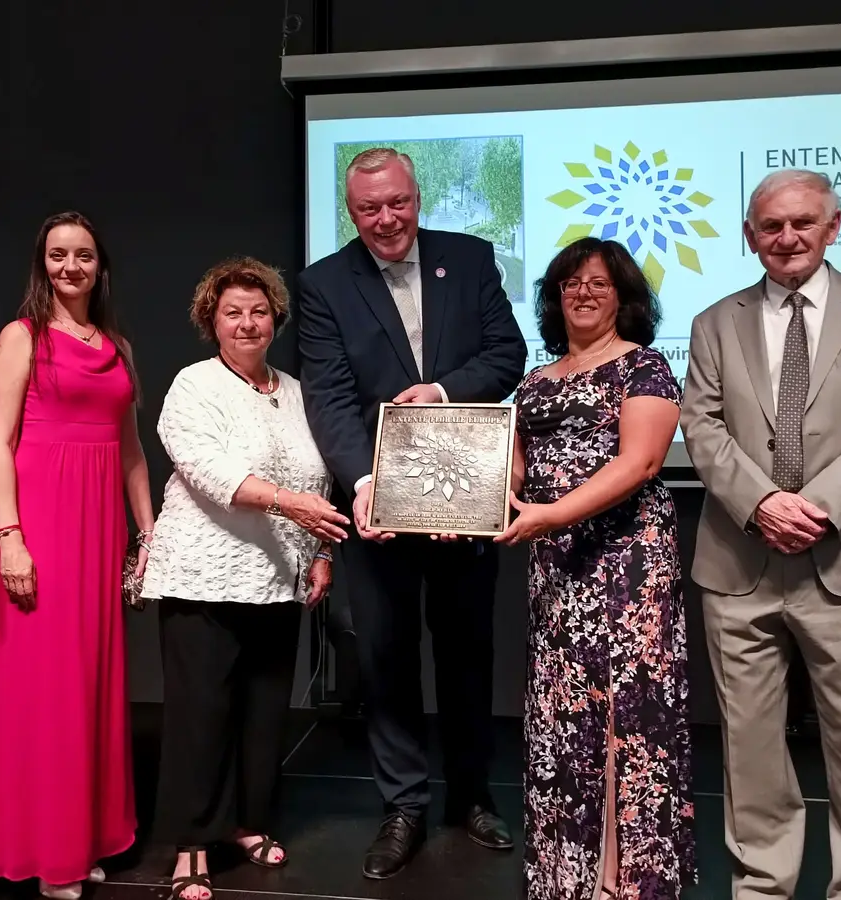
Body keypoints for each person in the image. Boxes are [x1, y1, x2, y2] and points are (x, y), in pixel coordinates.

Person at [681, 168, 841, 899]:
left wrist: (814, 506)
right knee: (749, 748)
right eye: (770, 226)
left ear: (832, 226)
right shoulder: (714, 321)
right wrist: (762, 505)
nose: (786, 238)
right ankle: (762, 883)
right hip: (739, 561)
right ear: (748, 235)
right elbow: (702, 424)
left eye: (802, 223)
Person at [294, 146, 526, 878]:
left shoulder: (472, 258)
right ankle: (402, 807)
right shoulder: (323, 283)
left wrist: (445, 391)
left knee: (466, 654)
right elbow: (327, 394)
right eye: (369, 209)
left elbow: (507, 353)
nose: (386, 219)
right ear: (351, 210)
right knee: (386, 658)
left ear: (416, 196)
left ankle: (471, 796)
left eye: (397, 203)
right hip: (378, 505)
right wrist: (360, 481)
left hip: (464, 490)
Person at [141, 256, 348, 900]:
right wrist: (291, 504)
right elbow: (206, 469)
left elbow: (318, 481)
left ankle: (248, 823)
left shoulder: (296, 390)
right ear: (213, 320)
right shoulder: (193, 385)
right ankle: (190, 847)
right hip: (203, 574)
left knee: (263, 712)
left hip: (276, 578)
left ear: (276, 319)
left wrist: (321, 553)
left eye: (259, 311)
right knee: (201, 716)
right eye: (233, 312)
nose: (248, 322)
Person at [498, 238, 694, 900]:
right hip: (557, 570)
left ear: (625, 299)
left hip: (627, 566)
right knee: (562, 720)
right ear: (554, 298)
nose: (582, 292)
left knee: (628, 721)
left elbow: (638, 464)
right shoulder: (532, 381)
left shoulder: (645, 370)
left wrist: (552, 517)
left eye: (600, 284)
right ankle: (567, 882)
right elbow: (515, 474)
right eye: (570, 283)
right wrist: (465, 506)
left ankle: (626, 883)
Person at [0, 212, 149, 899]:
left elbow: (131, 452)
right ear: (41, 264)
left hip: (99, 528)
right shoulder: (22, 337)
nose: (70, 266)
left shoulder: (119, 347)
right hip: (40, 523)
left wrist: (148, 533)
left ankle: (85, 838)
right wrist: (9, 535)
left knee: (91, 684)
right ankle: (48, 854)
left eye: (84, 256)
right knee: (44, 691)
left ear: (101, 266)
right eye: (57, 255)